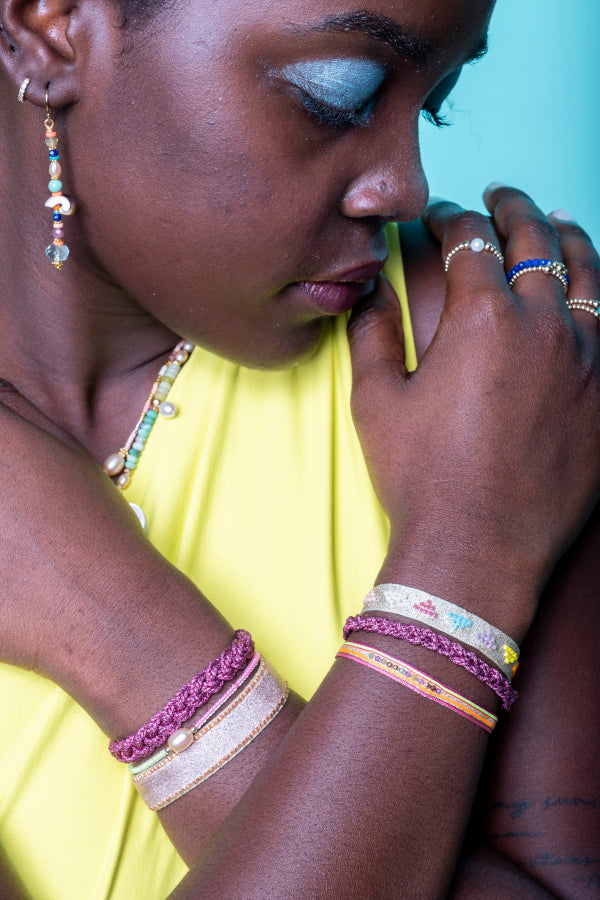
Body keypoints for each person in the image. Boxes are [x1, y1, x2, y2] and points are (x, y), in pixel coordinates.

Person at [0, 0, 598, 897]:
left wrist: (133, 638)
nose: (402, 184)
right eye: (337, 93)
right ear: (51, 22)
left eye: (435, 100)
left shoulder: (481, 370)